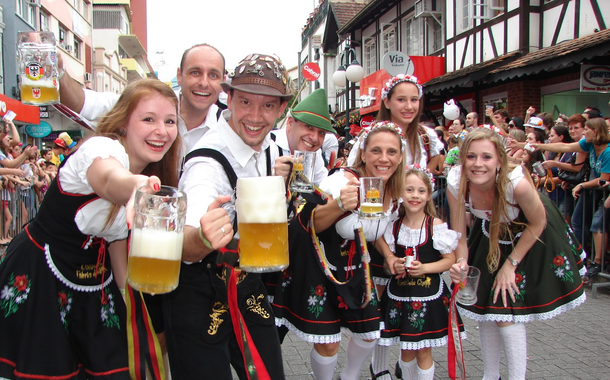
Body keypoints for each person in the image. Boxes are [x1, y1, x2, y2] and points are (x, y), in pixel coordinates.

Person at [0, 78, 181, 379]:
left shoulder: (150, 171)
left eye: (170, 121)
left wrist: (130, 306)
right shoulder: (101, 149)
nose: (161, 131)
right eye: (148, 119)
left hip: (94, 286)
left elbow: (116, 244)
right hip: (42, 278)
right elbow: (109, 179)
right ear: (123, 122)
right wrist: (135, 187)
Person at [169, 53, 292, 380]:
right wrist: (202, 237)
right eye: (246, 102)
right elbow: (184, 244)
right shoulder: (206, 164)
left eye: (268, 106)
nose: (255, 116)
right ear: (230, 99)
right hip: (197, 291)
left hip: (245, 281)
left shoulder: (269, 147)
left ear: (281, 110)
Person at [447, 128, 586, 380]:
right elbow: (459, 234)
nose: (478, 164)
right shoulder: (456, 182)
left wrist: (510, 265)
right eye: (471, 156)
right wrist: (461, 263)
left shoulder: (516, 184)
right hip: (491, 231)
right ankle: (490, 375)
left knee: (506, 307)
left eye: (486, 157)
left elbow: (538, 222)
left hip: (532, 232)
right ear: (462, 157)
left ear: (499, 159)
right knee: (486, 308)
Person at [273, 121, 405, 380]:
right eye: (376, 151)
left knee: (369, 332)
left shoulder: (393, 188)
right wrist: (341, 205)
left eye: (392, 152)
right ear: (363, 153)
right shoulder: (343, 181)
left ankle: (349, 376)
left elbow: (371, 227)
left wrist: (388, 255)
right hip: (319, 264)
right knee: (328, 341)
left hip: (354, 267)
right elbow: (313, 222)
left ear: (400, 157)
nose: (384, 158)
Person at [376, 166, 464, 380]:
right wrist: (393, 265)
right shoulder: (393, 226)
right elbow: (385, 258)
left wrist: (424, 268)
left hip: (429, 297)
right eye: (409, 190)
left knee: (424, 350)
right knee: (405, 349)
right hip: (400, 296)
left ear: (428, 195)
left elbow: (449, 259)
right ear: (400, 193)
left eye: (421, 191)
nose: (415, 195)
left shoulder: (436, 225)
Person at [58, 43, 225, 154]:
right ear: (179, 75)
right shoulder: (147, 102)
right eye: (195, 72)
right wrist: (58, 71)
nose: (204, 83)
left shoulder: (228, 125)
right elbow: (83, 102)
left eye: (213, 75)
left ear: (223, 81)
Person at [533, 118, 610, 279]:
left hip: (600, 191)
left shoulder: (608, 152)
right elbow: (565, 146)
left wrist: (582, 185)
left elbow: (603, 178)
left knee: (597, 224)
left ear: (594, 132)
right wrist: (540, 146)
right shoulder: (589, 145)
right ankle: (580, 257)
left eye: (586, 129)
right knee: (577, 221)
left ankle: (597, 262)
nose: (583, 133)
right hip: (591, 190)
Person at [273, 88, 335, 185]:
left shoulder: (315, 154)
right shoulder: (266, 145)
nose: (314, 138)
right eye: (309, 127)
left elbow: (326, 187)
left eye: (321, 132)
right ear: (290, 123)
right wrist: (273, 176)